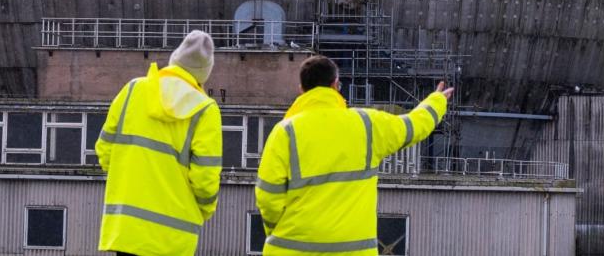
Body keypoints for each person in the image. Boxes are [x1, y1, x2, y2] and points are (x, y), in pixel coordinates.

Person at [256, 55, 454, 255]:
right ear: (335, 84)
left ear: (301, 89)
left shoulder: (284, 132)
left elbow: (267, 196)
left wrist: (278, 231)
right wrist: (436, 101)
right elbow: (413, 126)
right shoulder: (366, 124)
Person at [95, 30, 223, 256]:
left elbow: (104, 150)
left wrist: (126, 179)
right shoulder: (205, 110)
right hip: (174, 236)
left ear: (175, 59)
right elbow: (205, 178)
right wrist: (203, 210)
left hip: (127, 230)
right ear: (204, 73)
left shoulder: (133, 90)